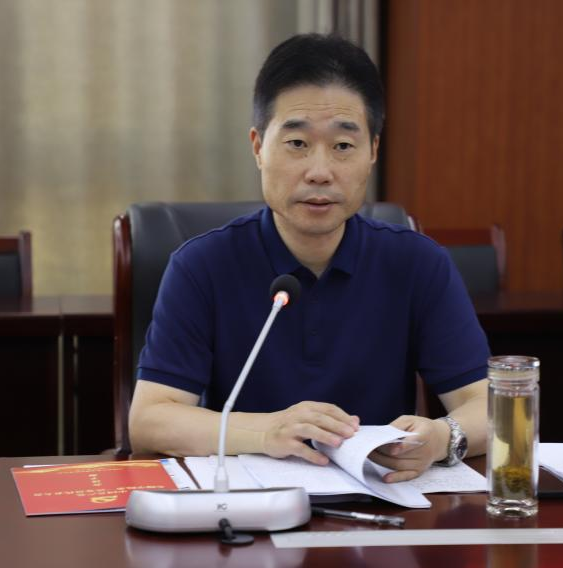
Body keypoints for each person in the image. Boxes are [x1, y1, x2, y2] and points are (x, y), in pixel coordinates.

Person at [129, 33, 490, 483]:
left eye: (343, 146)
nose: (320, 172)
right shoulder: (202, 265)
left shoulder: (416, 263)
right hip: (246, 507)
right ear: (258, 147)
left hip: (381, 501)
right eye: (297, 143)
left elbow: (490, 406)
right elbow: (149, 420)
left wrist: (443, 437)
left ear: (373, 152)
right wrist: (267, 432)